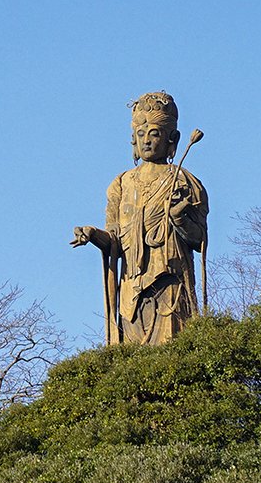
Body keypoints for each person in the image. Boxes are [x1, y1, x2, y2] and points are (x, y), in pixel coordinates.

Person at [71, 91, 208, 345]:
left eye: (154, 134)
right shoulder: (121, 184)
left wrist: (178, 220)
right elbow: (114, 238)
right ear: (133, 139)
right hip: (132, 288)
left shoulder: (183, 181)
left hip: (170, 283)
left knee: (171, 354)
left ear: (172, 139)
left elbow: (199, 239)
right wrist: (92, 234)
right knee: (132, 359)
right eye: (141, 134)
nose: (147, 141)